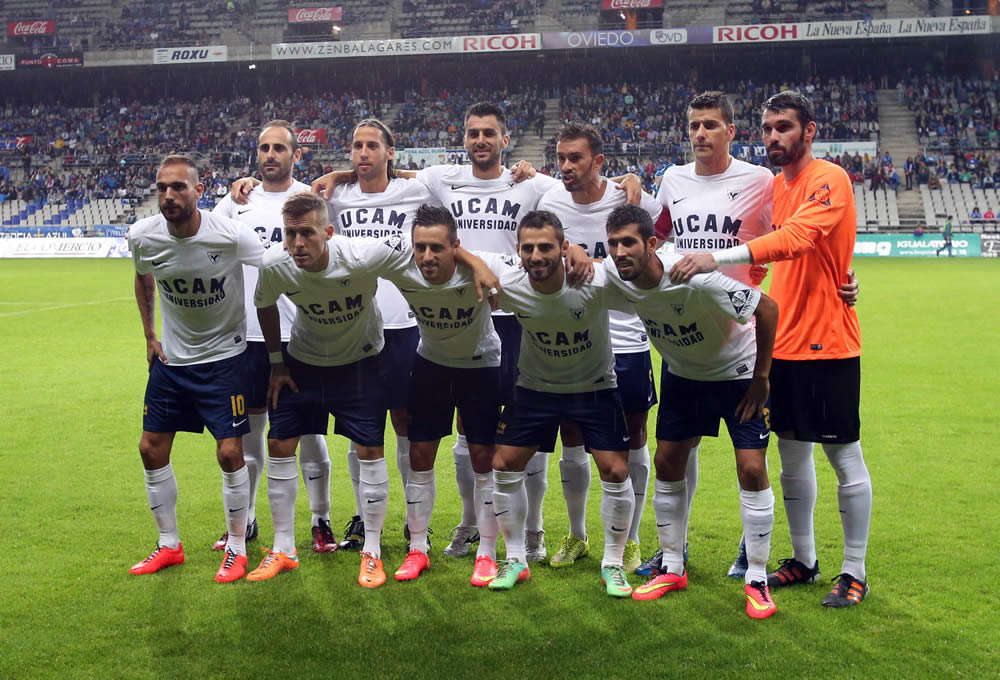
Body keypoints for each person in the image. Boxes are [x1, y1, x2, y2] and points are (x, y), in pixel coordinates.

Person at [670, 90, 872, 608]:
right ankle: (803, 559)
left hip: (829, 341)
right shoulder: (777, 189)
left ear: (809, 131)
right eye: (768, 128)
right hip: (779, 341)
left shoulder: (829, 178)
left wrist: (717, 258)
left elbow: (800, 239)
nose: (774, 137)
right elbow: (768, 260)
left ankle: (855, 570)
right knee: (791, 456)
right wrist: (742, 276)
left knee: (843, 454)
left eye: (784, 127)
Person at [253, 192, 497, 587]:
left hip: (361, 363)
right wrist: (276, 362)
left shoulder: (366, 255)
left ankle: (372, 551)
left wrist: (475, 261)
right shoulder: (275, 265)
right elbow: (263, 302)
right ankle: (284, 549)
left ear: (329, 233)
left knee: (371, 449)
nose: (298, 244)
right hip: (303, 362)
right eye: (291, 234)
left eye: (308, 234)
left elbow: (438, 250)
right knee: (279, 444)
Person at [604, 205, 779, 619]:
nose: (619, 251)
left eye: (628, 242)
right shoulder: (617, 274)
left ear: (651, 243)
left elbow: (766, 309)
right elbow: (583, 267)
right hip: (683, 377)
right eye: (612, 243)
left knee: (752, 469)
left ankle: (757, 579)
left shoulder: (693, 277)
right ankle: (673, 566)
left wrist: (762, 377)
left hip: (737, 375)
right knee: (666, 463)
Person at [646, 90, 775, 581]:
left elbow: (791, 235)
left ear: (731, 132)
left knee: (750, 466)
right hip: (684, 344)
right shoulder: (673, 180)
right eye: (695, 125)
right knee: (674, 453)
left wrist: (840, 277)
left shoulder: (759, 181)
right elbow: (656, 236)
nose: (700, 133)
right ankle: (672, 555)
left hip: (739, 341)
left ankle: (753, 553)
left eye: (711, 125)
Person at [127, 155, 265, 583]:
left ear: (198, 191)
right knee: (150, 448)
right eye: (162, 187)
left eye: (179, 187)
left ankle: (238, 548)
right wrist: (150, 335)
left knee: (229, 453)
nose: (169, 195)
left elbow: (274, 269)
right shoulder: (143, 235)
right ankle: (169, 545)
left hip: (225, 360)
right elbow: (142, 276)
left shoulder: (230, 235)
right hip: (173, 362)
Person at [488, 210, 636, 598]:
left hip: (594, 387)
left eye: (546, 247)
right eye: (528, 248)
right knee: (503, 464)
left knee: (617, 471)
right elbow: (464, 259)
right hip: (535, 387)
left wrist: (593, 257)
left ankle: (614, 564)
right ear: (518, 251)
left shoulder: (593, 281)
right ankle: (516, 559)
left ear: (563, 248)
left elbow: (642, 274)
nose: (536, 256)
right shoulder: (511, 284)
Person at [536, 122, 661, 573]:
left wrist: (600, 260)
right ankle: (577, 534)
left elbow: (656, 253)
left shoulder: (630, 198)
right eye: (561, 158)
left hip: (627, 339)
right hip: (573, 340)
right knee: (573, 437)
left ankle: (632, 538)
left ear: (599, 161)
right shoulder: (548, 202)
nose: (566, 167)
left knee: (634, 438)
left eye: (576, 158)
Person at [213, 120, 335, 557]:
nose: (270, 155)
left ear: (295, 155)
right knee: (250, 436)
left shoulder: (311, 200)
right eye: (263, 147)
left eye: (279, 148)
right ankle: (244, 520)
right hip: (245, 338)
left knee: (308, 436)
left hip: (298, 336)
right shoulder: (234, 203)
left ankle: (321, 522)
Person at [384, 205, 513, 585]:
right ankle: (418, 549)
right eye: (420, 247)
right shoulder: (399, 264)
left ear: (454, 247)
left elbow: (531, 258)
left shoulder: (484, 263)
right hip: (431, 363)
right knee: (420, 455)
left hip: (481, 365)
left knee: (483, 457)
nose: (427, 256)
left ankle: (487, 553)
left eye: (437, 248)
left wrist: (474, 261)